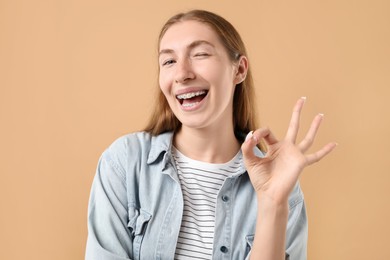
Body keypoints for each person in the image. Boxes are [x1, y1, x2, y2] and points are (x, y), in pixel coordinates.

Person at [85, 9, 336, 260]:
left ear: (239, 70)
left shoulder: (281, 187)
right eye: (169, 61)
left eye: (200, 54)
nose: (182, 74)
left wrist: (272, 203)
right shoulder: (125, 163)